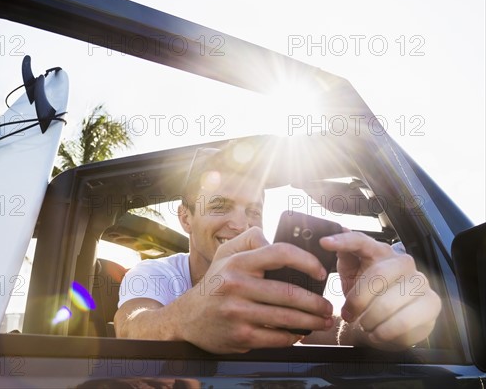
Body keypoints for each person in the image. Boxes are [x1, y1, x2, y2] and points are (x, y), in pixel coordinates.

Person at [113, 143, 442, 354]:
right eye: (220, 206)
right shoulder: (156, 273)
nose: (241, 224)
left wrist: (375, 321)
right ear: (186, 218)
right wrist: (185, 318)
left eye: (253, 210)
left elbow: (323, 338)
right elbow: (132, 325)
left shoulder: (274, 279)